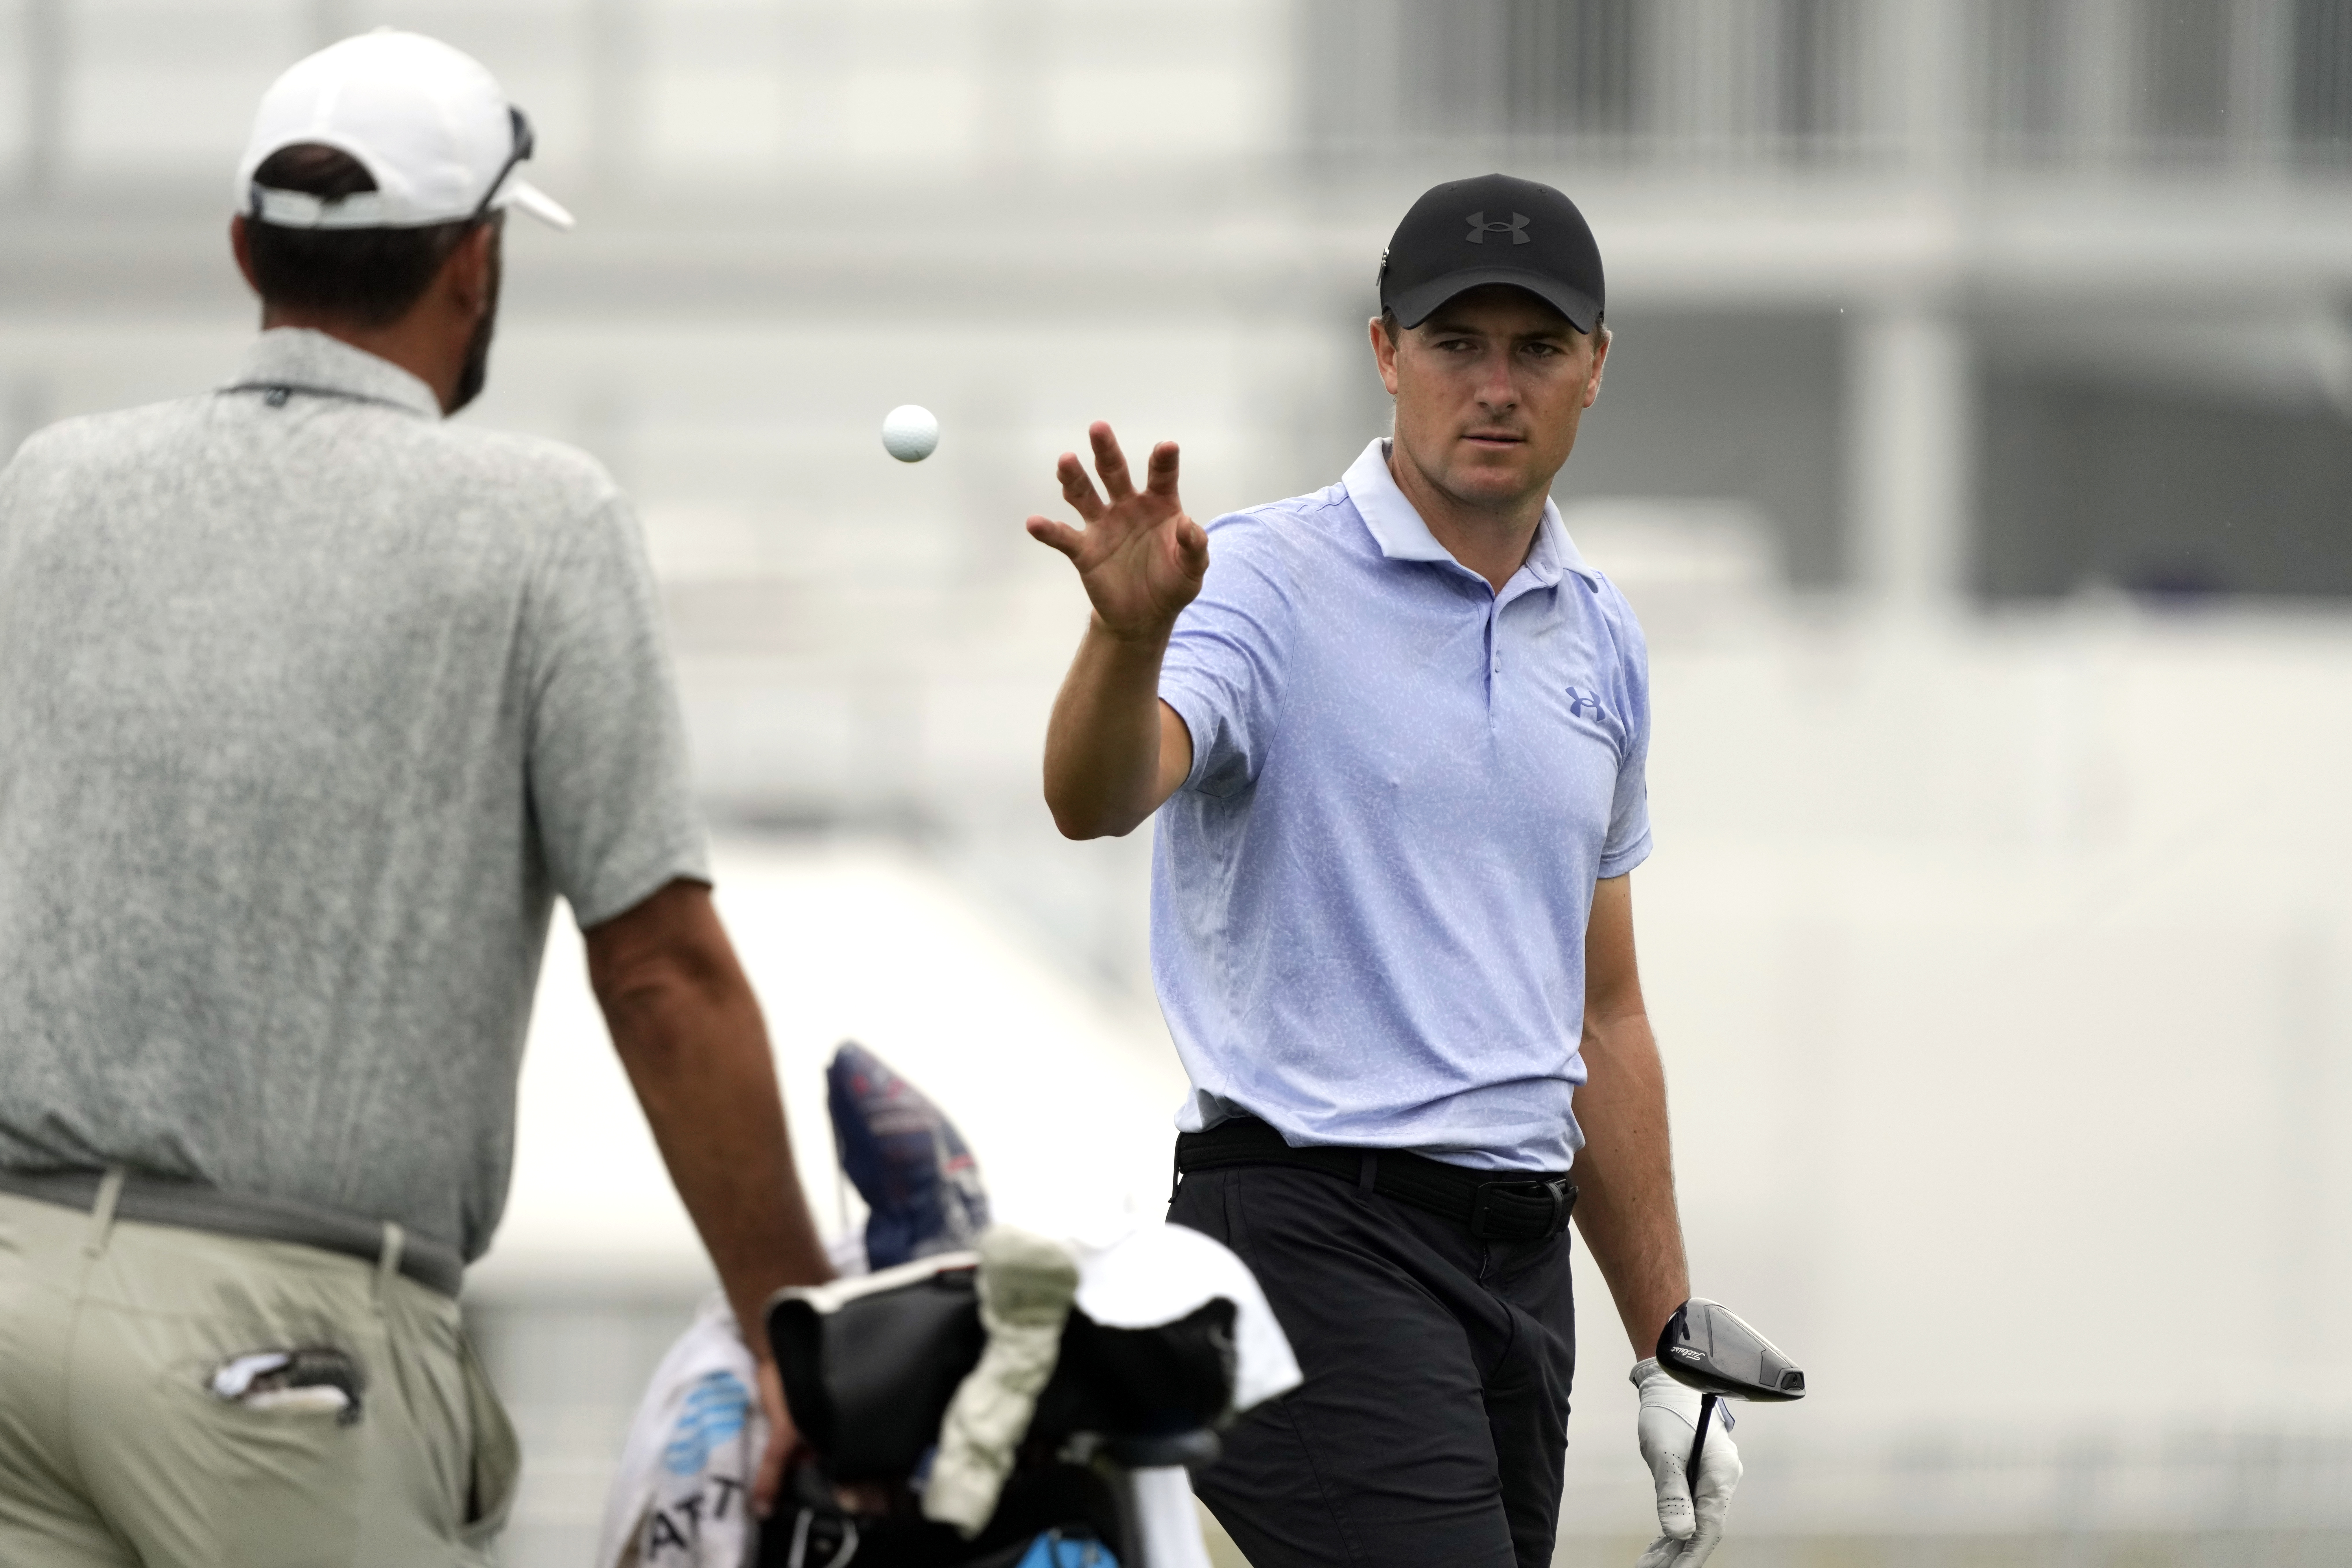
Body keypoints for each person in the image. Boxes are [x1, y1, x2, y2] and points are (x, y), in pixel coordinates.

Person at [0, 31, 830, 1567]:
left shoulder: (49, 488)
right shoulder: (538, 522)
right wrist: (796, 1334)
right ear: (475, 262)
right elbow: (658, 972)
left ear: (246, 247)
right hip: (279, 1362)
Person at [1027, 173, 1741, 1568]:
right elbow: (1096, 799)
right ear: (1384, 355)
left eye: (1536, 348)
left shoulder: (1601, 638)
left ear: (1596, 369)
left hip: (1519, 1269)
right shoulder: (1256, 580)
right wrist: (1125, 642)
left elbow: (1602, 1016)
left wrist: (1667, 1347)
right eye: (1454, 344)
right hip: (1304, 1229)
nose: (1494, 384)